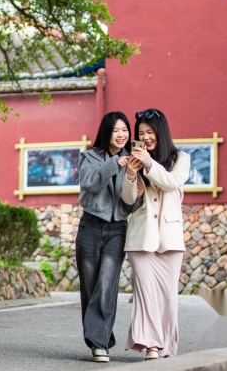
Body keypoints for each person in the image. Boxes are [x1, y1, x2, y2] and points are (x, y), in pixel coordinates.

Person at [120, 108, 190, 360]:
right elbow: (128, 200)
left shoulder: (181, 158)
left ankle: (166, 344)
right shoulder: (133, 159)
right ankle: (151, 345)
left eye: (150, 132)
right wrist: (130, 174)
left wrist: (149, 163)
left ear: (161, 132)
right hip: (141, 236)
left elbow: (171, 182)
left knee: (168, 296)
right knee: (146, 294)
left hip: (170, 237)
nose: (146, 137)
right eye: (141, 133)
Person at [75, 111, 144, 363]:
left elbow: (131, 204)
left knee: (106, 283)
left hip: (117, 229)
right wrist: (115, 163)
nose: (121, 134)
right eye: (116, 130)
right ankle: (98, 337)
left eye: (124, 130)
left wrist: (137, 191)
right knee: (90, 285)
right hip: (90, 226)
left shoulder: (134, 160)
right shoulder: (89, 157)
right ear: (107, 132)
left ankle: (99, 343)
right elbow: (89, 183)